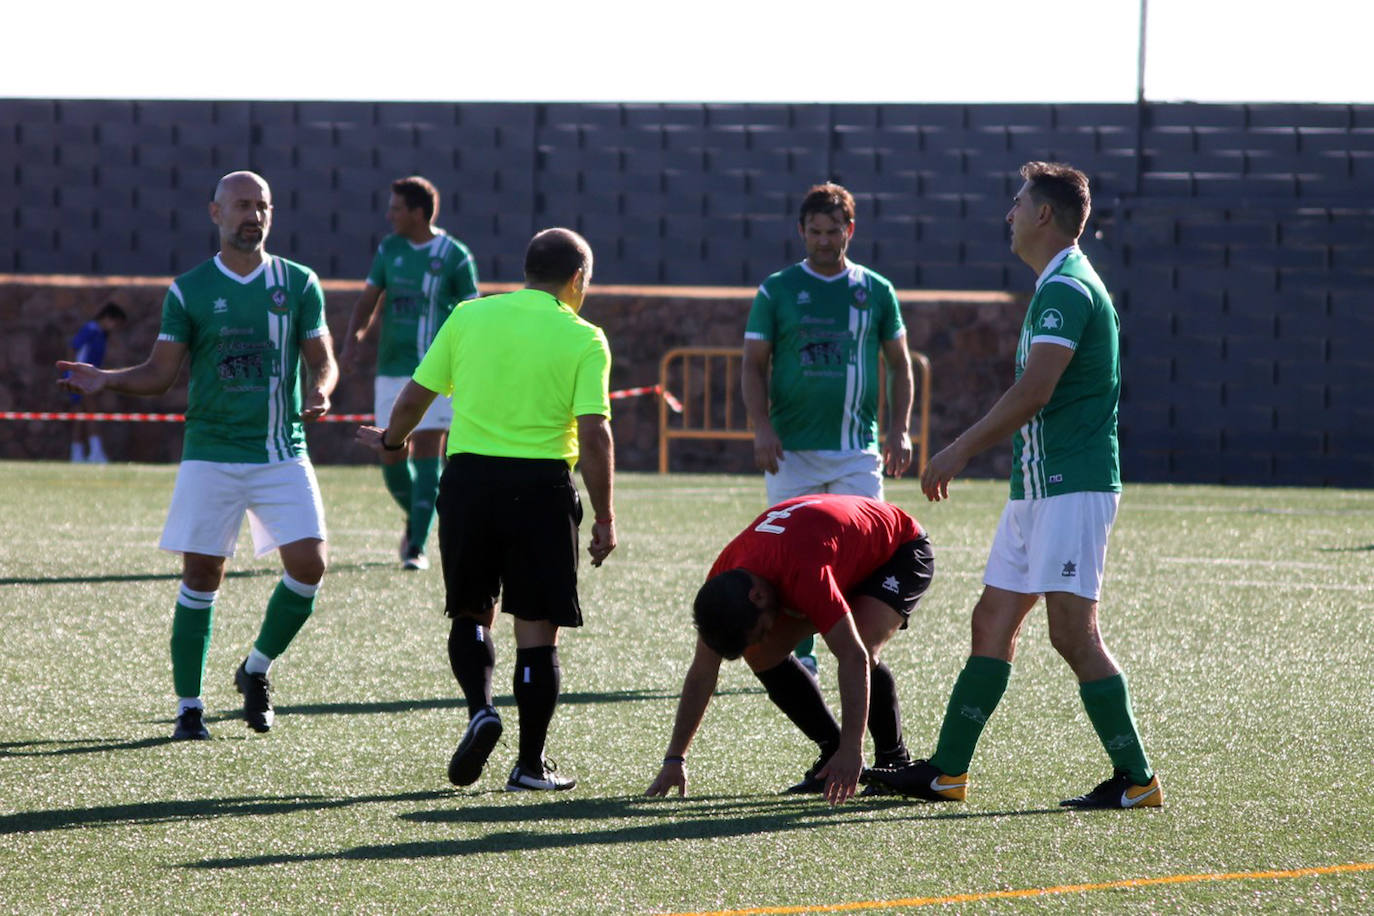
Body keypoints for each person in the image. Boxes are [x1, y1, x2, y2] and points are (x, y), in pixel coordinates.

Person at [867, 161, 1162, 810]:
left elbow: (1034, 392)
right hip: (1037, 490)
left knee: (1072, 634)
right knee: (992, 621)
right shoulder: (1054, 286)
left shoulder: (1068, 289)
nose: (1010, 214)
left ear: (1044, 215)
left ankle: (1137, 778)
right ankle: (947, 773)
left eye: (1019, 202)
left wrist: (958, 449)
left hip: (1071, 487)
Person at [57, 170, 338, 743]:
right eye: (242, 205)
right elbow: (160, 374)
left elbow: (323, 359)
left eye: (262, 206)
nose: (253, 216)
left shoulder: (299, 282)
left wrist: (322, 389)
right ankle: (189, 707)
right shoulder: (188, 290)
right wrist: (105, 379)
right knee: (202, 573)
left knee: (310, 565)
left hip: (281, 450)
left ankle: (255, 669)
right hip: (211, 453)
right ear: (215, 213)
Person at [357, 227, 616, 793]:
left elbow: (415, 396)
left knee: (471, 612)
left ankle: (481, 709)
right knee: (537, 632)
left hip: (469, 483)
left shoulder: (469, 316)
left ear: (527, 271)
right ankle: (529, 765)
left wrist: (392, 442)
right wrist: (604, 517)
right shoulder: (585, 337)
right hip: (541, 488)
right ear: (578, 279)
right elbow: (595, 435)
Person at [644, 494, 934, 805]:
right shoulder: (725, 577)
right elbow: (702, 672)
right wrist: (675, 758)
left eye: (761, 628)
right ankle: (831, 749)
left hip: (899, 551)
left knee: (861, 642)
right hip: (832, 550)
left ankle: (893, 760)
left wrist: (853, 749)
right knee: (760, 653)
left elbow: (854, 657)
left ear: (757, 597)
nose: (765, 633)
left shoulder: (803, 571)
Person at [741, 182, 915, 677]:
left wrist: (900, 429)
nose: (823, 240)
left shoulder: (875, 290)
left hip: (856, 451)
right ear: (801, 231)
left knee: (866, 554)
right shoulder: (776, 289)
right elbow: (752, 364)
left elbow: (900, 365)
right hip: (791, 453)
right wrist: (761, 427)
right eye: (814, 231)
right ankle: (801, 655)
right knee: (789, 557)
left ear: (849, 230)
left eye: (832, 231)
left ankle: (859, 650)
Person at [339, 176, 480, 571]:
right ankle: (418, 515)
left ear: (418, 213)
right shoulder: (390, 249)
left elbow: (474, 314)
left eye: (396, 208)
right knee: (390, 451)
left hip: (439, 372)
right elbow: (368, 301)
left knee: (429, 452)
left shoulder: (454, 256)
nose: (389, 215)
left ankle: (416, 547)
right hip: (392, 368)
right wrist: (352, 342)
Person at [65, 302, 128, 462]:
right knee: (91, 412)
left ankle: (77, 455)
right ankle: (96, 452)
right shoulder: (91, 330)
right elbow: (73, 348)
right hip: (82, 378)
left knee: (81, 415)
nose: (115, 327)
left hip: (88, 377)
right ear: (107, 318)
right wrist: (74, 373)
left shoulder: (101, 334)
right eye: (115, 323)